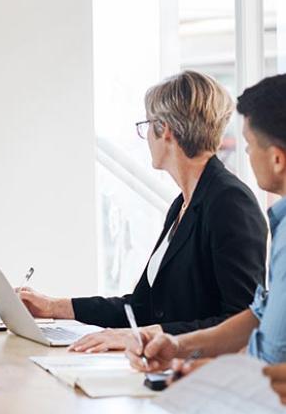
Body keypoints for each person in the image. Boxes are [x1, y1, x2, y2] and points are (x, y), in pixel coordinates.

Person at [18, 71, 267, 352]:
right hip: (164, 365)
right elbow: (143, 307)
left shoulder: (230, 202)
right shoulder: (183, 204)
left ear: (166, 129)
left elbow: (242, 322)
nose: (146, 135)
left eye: (147, 124)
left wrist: (145, 335)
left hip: (204, 376)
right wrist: (54, 306)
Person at [127, 74, 286, 371]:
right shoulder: (282, 224)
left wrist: (212, 371)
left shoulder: (231, 201)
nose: (247, 154)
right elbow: (258, 315)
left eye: (250, 145)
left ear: (277, 159)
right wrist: (178, 345)